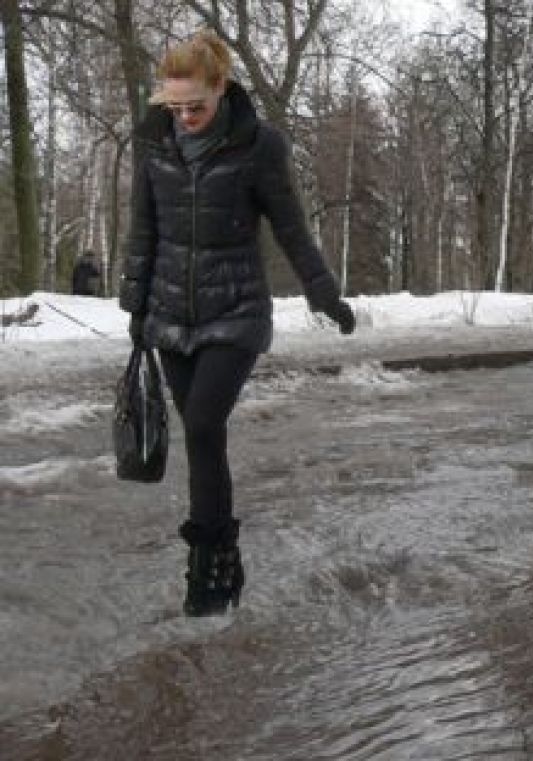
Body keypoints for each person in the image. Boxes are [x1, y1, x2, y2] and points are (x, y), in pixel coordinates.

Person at [118, 30, 356, 616]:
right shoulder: (152, 144)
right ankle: (223, 557)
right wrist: (136, 307)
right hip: (171, 315)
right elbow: (144, 229)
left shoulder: (258, 145)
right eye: (174, 108)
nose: (184, 117)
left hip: (237, 310)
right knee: (202, 438)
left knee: (202, 423)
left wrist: (323, 292)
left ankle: (207, 569)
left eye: (194, 106)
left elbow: (291, 227)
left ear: (221, 88)